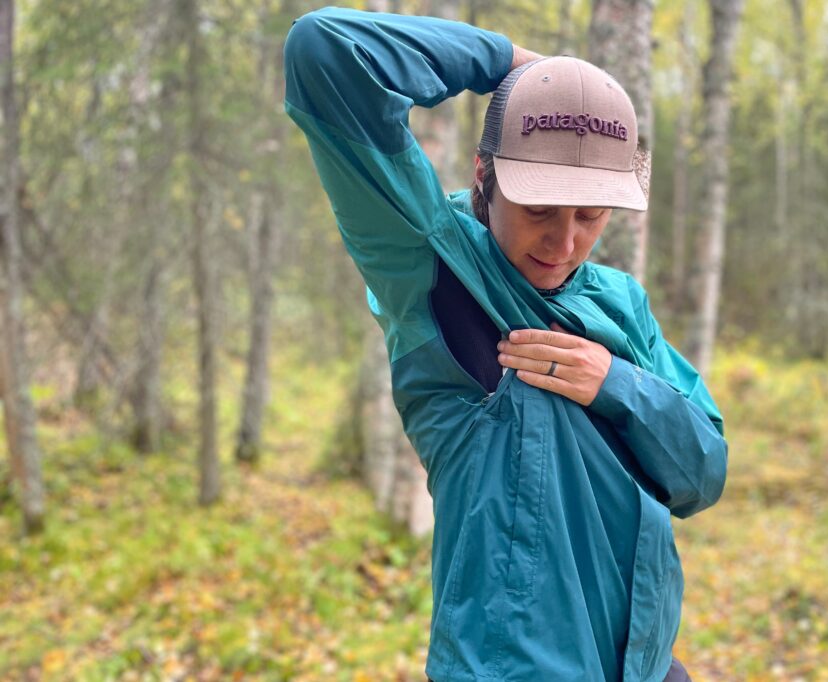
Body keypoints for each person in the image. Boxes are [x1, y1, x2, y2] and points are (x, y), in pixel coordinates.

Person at [283, 7, 727, 682]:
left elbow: (703, 472)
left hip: (646, 666)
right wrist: (514, 65)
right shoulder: (435, 268)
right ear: (485, 172)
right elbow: (328, 51)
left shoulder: (618, 300)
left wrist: (616, 383)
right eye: (540, 208)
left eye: (590, 214)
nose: (565, 242)